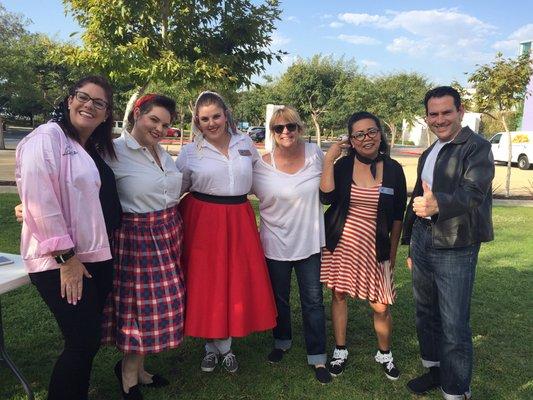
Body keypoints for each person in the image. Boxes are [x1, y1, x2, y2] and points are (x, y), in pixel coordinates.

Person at [15, 75, 121, 400]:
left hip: (94, 256)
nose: (89, 105)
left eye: (98, 103)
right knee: (81, 341)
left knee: (87, 340)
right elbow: (39, 199)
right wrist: (66, 257)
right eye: (83, 97)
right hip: (62, 260)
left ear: (106, 114)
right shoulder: (47, 138)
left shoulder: (86, 146)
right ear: (69, 99)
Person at [402, 86, 494, 400]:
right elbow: (417, 196)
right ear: (426, 116)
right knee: (425, 312)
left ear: (460, 111)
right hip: (423, 240)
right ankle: (436, 371)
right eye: (433, 114)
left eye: (446, 112)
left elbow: (473, 193)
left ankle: (456, 391)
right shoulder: (430, 151)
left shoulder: (476, 147)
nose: (439, 120)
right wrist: (410, 242)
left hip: (456, 244)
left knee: (454, 322)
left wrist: (438, 204)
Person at [176, 90, 277, 373]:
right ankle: (211, 347)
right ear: (197, 120)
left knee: (233, 278)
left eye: (216, 116)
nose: (211, 123)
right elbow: (175, 188)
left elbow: (262, 177)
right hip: (202, 219)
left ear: (225, 114)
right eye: (204, 118)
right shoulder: (189, 152)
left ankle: (227, 345)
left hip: (238, 217)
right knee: (207, 280)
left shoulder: (244, 143)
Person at [101, 94, 185, 400]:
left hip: (168, 233)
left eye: (165, 124)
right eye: (154, 120)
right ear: (138, 113)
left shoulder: (163, 154)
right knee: (139, 309)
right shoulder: (111, 151)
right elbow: (78, 184)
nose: (160, 128)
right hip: (135, 238)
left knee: (159, 307)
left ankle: (138, 368)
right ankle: (129, 378)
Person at [320, 111, 407, 380]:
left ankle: (384, 353)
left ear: (380, 134)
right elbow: (326, 196)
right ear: (351, 140)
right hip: (342, 243)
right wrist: (328, 159)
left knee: (380, 304)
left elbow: (397, 216)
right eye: (358, 134)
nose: (366, 138)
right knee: (339, 295)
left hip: (376, 246)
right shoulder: (343, 166)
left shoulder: (393, 170)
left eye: (371, 132)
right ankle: (340, 349)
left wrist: (391, 254)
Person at [252, 106, 331, 384]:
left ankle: (318, 356)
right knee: (279, 298)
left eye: (291, 126)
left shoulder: (315, 155)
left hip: (309, 242)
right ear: (272, 133)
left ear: (300, 128)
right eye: (278, 128)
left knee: (313, 301)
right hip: (274, 243)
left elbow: (330, 189)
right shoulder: (259, 165)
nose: (285, 132)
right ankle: (282, 341)